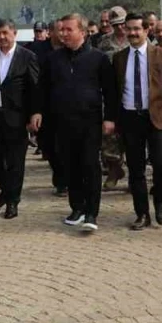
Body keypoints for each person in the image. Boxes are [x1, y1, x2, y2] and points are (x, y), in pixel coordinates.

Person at [32, 14, 116, 233]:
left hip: (90, 121)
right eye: (62, 30)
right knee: (69, 166)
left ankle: (91, 212)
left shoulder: (99, 58)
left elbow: (110, 92)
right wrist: (38, 111)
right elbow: (42, 88)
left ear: (83, 31)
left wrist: (110, 118)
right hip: (61, 122)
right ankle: (76, 208)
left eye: (68, 30)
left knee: (89, 165)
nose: (63, 34)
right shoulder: (53, 59)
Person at [111, 13, 162, 229]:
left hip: (159, 119)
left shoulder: (161, 55)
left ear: (146, 31)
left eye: (137, 29)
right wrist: (112, 120)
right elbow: (115, 92)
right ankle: (142, 213)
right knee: (136, 169)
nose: (132, 33)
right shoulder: (119, 58)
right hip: (130, 119)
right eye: (129, 29)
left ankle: (159, 198)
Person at [0, 19, 41, 219]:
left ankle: (13, 201)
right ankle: (6, 188)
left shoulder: (27, 57)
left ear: (14, 33)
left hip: (17, 116)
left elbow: (35, 88)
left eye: (6, 33)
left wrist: (35, 113)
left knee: (15, 162)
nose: (2, 37)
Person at [94, 6, 130, 190]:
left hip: (132, 93)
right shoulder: (104, 43)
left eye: (123, 24)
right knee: (108, 136)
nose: (120, 28)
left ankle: (134, 176)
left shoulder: (137, 39)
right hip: (111, 93)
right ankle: (114, 169)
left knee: (132, 136)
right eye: (116, 25)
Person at [27, 22, 63, 193]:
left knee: (65, 146)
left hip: (66, 106)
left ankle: (64, 181)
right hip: (44, 104)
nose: (63, 34)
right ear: (50, 32)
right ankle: (59, 174)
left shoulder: (72, 49)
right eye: (60, 30)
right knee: (48, 146)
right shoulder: (37, 50)